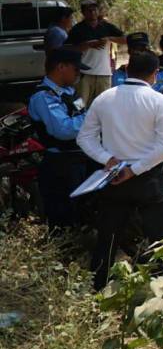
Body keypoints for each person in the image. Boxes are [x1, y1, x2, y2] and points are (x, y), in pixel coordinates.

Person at [77, 51, 163, 291]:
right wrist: (135, 169)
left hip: (114, 178)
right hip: (149, 178)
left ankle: (97, 293)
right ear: (155, 74)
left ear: (127, 69)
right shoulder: (159, 101)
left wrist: (107, 158)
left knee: (107, 241)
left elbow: (84, 137)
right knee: (160, 242)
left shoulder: (104, 98)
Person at [27, 49, 95, 228]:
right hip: (60, 164)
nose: (78, 74)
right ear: (61, 67)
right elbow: (63, 130)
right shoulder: (44, 96)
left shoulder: (69, 92)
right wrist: (93, 118)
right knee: (64, 218)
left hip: (78, 158)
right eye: (76, 69)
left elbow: (82, 113)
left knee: (82, 210)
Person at [64, 0, 125, 105]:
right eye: (89, 10)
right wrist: (87, 45)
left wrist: (109, 38)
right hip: (84, 74)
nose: (92, 12)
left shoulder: (106, 26)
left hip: (104, 73)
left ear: (98, 11)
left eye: (94, 10)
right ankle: (78, 121)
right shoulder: (77, 29)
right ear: (83, 13)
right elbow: (67, 48)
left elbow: (125, 39)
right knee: (79, 104)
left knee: (104, 105)